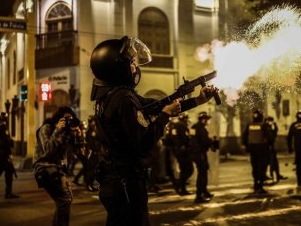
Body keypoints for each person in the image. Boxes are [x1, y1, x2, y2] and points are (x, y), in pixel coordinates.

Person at [89, 36, 218, 225]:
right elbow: (143, 141)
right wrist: (165, 116)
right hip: (125, 182)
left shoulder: (114, 95)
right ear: (118, 68)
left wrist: (196, 100)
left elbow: (154, 105)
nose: (135, 67)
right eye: (131, 62)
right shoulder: (123, 98)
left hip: (116, 180)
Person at [33, 106, 83, 226]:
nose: (67, 122)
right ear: (58, 119)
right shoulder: (47, 128)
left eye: (70, 119)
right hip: (45, 168)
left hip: (56, 170)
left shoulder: (66, 134)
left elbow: (75, 154)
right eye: (65, 119)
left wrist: (78, 135)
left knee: (66, 200)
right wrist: (57, 130)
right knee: (64, 200)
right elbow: (48, 150)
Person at [242, 110, 274, 194]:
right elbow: (270, 137)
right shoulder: (263, 125)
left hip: (252, 149)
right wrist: (270, 144)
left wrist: (245, 145)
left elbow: (244, 136)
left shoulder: (249, 125)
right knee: (262, 167)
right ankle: (260, 186)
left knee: (255, 167)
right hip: (262, 149)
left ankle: (256, 184)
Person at [189, 111, 216, 203]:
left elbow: (193, 140)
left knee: (204, 172)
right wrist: (211, 141)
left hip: (198, 154)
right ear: (203, 119)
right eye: (207, 119)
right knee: (202, 174)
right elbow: (203, 141)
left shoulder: (195, 127)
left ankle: (204, 192)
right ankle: (199, 196)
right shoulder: (201, 129)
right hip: (199, 154)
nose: (208, 121)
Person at [172, 113, 194, 195]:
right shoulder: (182, 126)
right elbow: (186, 138)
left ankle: (182, 188)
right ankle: (178, 186)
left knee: (184, 170)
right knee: (188, 170)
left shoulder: (175, 126)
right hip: (184, 152)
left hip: (178, 151)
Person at [265, 116, 287, 182]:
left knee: (274, 162)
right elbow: (270, 136)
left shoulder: (271, 127)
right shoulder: (265, 127)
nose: (270, 122)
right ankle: (271, 175)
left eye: (271, 121)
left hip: (271, 147)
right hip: (266, 147)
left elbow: (274, 133)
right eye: (269, 120)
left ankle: (277, 175)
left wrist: (274, 126)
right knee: (270, 162)